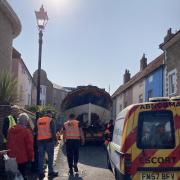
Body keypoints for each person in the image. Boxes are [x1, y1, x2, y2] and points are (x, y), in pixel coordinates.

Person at [7, 113, 34, 179]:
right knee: (23, 176)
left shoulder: (10, 130)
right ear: (26, 121)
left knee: (14, 177)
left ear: (18, 120)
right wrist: (31, 158)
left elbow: (8, 143)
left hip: (11, 158)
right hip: (23, 159)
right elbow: (29, 147)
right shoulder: (27, 132)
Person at [37, 110, 58, 179]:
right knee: (50, 157)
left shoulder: (39, 120)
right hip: (49, 141)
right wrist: (56, 140)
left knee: (41, 158)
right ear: (50, 114)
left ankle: (40, 173)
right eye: (51, 114)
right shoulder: (51, 120)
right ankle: (50, 172)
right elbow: (53, 131)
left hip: (40, 141)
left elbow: (36, 130)